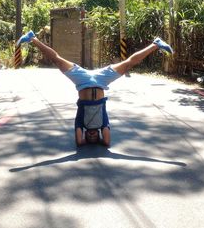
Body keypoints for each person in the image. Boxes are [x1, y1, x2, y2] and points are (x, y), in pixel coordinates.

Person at [16, 31, 173, 147]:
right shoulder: (103, 123)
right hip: (101, 80)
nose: (91, 135)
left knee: (56, 60)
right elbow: (107, 142)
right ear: (97, 135)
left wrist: (85, 140)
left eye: (88, 137)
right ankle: (156, 44)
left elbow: (79, 142)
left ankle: (32, 38)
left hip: (82, 80)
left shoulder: (81, 123)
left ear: (85, 134)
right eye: (93, 137)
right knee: (128, 64)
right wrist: (99, 140)